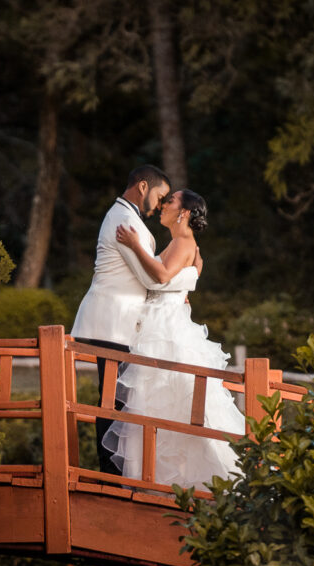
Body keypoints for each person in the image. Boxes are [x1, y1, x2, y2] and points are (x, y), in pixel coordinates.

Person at [104, 189, 244, 492]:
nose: (163, 205)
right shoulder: (180, 243)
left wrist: (134, 246)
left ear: (183, 213)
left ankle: (165, 484)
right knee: (159, 406)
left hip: (165, 334)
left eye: (170, 202)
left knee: (162, 402)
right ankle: (161, 482)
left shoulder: (183, 242)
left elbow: (164, 275)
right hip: (160, 325)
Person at [71, 165, 201, 476]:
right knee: (111, 402)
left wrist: (185, 280)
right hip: (112, 321)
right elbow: (152, 279)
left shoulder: (130, 221)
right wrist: (190, 278)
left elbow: (155, 275)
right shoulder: (124, 219)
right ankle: (109, 475)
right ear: (143, 187)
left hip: (125, 324)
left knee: (119, 401)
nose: (160, 203)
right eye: (160, 196)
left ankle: (118, 473)